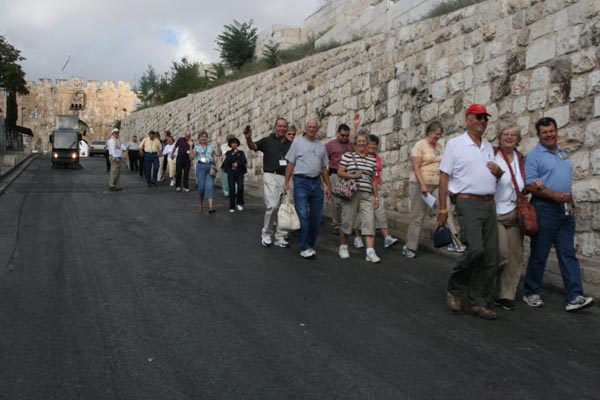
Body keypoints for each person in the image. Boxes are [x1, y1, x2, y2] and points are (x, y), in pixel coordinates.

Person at [438, 104, 504, 320]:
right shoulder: (455, 144)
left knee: (492, 256)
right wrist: (443, 209)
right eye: (478, 117)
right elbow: (444, 177)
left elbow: (490, 174)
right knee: (475, 250)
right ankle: (455, 289)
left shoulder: (487, 146)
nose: (482, 121)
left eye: (485, 118)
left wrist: (499, 172)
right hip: (467, 202)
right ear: (467, 119)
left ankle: (477, 301)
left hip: (489, 204)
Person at [522, 117, 594, 312]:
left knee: (568, 253)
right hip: (544, 208)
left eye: (552, 131)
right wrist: (552, 194)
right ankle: (531, 291)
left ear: (556, 131)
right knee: (540, 253)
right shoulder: (534, 156)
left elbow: (563, 181)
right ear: (538, 135)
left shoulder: (562, 153)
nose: (549, 135)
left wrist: (571, 203)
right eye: (544, 132)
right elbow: (529, 184)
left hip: (564, 211)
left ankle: (575, 296)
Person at [404, 121, 465, 258]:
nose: (437, 136)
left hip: (438, 184)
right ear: (429, 132)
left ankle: (455, 242)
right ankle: (410, 247)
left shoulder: (439, 147)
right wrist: (423, 185)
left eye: (439, 134)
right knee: (417, 217)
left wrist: (447, 185)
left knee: (446, 211)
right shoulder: (419, 146)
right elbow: (416, 167)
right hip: (419, 184)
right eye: (435, 134)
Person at [284, 119, 331, 259]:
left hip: (316, 183)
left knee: (316, 217)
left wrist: (328, 185)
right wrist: (286, 182)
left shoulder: (321, 146)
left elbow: (324, 168)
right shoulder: (297, 143)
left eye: (314, 127)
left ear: (317, 129)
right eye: (309, 127)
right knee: (303, 215)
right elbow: (290, 164)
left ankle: (309, 244)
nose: (311, 129)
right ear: (306, 128)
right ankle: (304, 246)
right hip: (301, 182)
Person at [244, 118, 292, 248]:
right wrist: (248, 138)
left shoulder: (290, 144)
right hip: (271, 175)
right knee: (272, 205)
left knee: (284, 208)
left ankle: (280, 237)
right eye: (279, 126)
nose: (282, 128)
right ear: (275, 127)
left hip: (286, 177)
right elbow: (253, 146)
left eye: (284, 126)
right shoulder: (267, 141)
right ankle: (266, 233)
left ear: (287, 128)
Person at [493, 124, 526, 311]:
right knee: (501, 253)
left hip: (514, 212)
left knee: (515, 256)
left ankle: (505, 295)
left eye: (514, 134)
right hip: (495, 212)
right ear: (499, 137)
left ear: (518, 139)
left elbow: (523, 183)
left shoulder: (520, 158)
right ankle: (481, 284)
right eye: (506, 134)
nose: (510, 137)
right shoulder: (492, 155)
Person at [337, 132, 381, 262]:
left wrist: (376, 197)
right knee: (347, 221)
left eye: (364, 141)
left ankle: (370, 252)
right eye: (359, 141)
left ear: (368, 144)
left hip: (367, 195)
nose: (362, 143)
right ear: (355, 143)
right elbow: (340, 172)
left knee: (369, 222)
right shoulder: (348, 157)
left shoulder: (372, 160)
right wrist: (353, 175)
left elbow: (373, 180)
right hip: (351, 194)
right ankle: (343, 246)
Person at [352, 134, 398, 249]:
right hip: (363, 187)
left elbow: (377, 175)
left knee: (380, 211)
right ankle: (357, 237)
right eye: (370, 144)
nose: (372, 146)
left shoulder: (377, 158)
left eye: (374, 144)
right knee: (360, 214)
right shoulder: (361, 156)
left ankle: (387, 238)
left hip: (377, 187)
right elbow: (352, 142)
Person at [325, 119, 355, 235]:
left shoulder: (350, 145)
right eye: (342, 135)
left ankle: (346, 224)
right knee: (336, 201)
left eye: (347, 135)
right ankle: (336, 224)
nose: (344, 137)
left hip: (349, 175)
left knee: (348, 201)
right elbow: (324, 162)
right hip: (335, 174)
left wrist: (355, 125)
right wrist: (326, 181)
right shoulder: (330, 145)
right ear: (338, 133)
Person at [191, 131, 222, 214]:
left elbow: (219, 154)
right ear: (199, 138)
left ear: (207, 138)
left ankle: (211, 207)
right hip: (200, 167)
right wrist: (190, 146)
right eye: (201, 136)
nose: (203, 138)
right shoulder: (196, 147)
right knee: (201, 187)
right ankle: (200, 204)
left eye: (205, 136)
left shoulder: (211, 146)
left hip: (210, 167)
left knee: (210, 186)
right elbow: (191, 156)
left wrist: (219, 145)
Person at [223, 137, 247, 212]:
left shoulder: (241, 152)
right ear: (230, 144)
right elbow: (226, 162)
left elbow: (244, 161)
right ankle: (232, 206)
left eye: (235, 143)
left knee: (240, 187)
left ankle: (240, 203)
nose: (234, 144)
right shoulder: (228, 153)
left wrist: (238, 164)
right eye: (232, 143)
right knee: (232, 189)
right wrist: (233, 161)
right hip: (231, 172)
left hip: (240, 172)